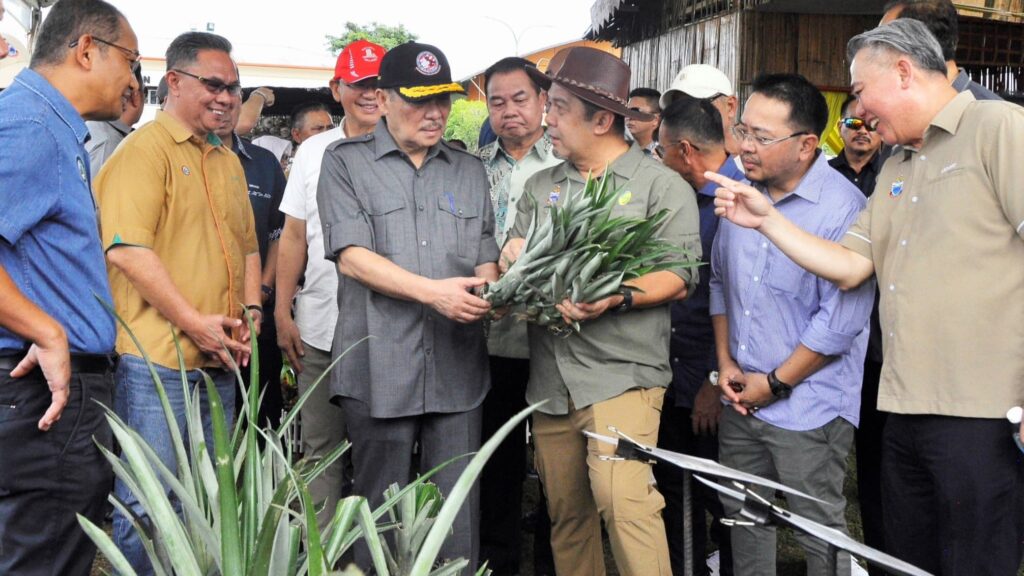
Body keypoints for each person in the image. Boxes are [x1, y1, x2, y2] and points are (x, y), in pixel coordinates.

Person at [709, 19, 1024, 574]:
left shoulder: (997, 126)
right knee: (906, 559)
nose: (856, 107)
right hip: (902, 408)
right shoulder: (897, 166)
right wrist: (767, 222)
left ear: (903, 71)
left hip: (983, 411)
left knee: (976, 560)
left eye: (858, 89)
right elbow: (851, 266)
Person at [501, 46, 700, 576]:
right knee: (565, 514)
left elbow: (679, 274)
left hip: (623, 373)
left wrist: (618, 295)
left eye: (560, 107)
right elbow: (513, 253)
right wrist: (509, 259)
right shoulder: (543, 187)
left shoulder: (660, 185)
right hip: (551, 379)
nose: (549, 120)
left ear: (602, 119)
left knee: (625, 502)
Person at [317, 41, 498, 570]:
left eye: (442, 99)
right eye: (420, 100)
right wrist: (436, 293)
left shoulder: (467, 169)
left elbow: (484, 256)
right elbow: (351, 258)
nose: (436, 112)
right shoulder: (344, 163)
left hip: (457, 366)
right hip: (379, 363)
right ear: (384, 99)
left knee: (456, 513)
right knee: (378, 508)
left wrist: (495, 294)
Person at [95, 31, 259, 575]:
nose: (227, 97)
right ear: (174, 82)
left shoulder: (227, 160)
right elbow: (126, 250)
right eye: (214, 84)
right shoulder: (143, 152)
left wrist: (252, 314)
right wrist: (195, 323)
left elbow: (250, 247)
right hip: (156, 362)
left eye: (235, 88)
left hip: (220, 360)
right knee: (149, 502)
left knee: (215, 503)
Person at [709, 73, 873, 576]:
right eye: (742, 130)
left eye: (762, 136)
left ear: (806, 145)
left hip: (808, 405)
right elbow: (719, 282)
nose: (744, 145)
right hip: (740, 397)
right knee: (742, 517)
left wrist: (775, 384)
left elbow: (838, 324)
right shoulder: (738, 191)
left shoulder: (844, 208)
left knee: (817, 528)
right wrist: (726, 366)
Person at [0, 1, 138, 573]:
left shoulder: (45, 125)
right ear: (87, 50)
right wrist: (47, 330)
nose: (134, 79)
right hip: (43, 390)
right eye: (130, 61)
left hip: (52, 389)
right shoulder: (29, 125)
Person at [275, 37, 385, 530]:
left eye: (380, 83)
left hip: (392, 330)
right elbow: (294, 234)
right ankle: (321, 552)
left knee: (384, 453)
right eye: (359, 83)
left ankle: (374, 553)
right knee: (320, 448)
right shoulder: (313, 151)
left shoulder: (410, 145)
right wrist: (282, 311)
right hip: (321, 324)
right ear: (337, 87)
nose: (370, 93)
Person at [477, 55, 560, 576]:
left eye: (520, 99)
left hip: (552, 334)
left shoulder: (568, 165)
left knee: (558, 463)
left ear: (544, 101)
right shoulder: (470, 165)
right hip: (488, 338)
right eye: (497, 101)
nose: (509, 111)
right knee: (497, 459)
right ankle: (498, 561)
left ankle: (556, 561)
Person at [653, 96, 738, 576]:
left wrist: (712, 379)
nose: (658, 160)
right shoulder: (671, 196)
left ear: (685, 150)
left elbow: (737, 303)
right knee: (670, 487)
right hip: (669, 369)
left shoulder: (735, 202)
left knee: (722, 496)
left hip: (713, 381)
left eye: (662, 151)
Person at [215, 89, 287, 430]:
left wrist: (262, 291)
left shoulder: (264, 163)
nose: (223, 101)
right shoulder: (168, 158)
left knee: (262, 417)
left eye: (232, 91)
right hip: (197, 317)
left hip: (256, 315)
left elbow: (278, 234)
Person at [881, 0, 1003, 101]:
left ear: (919, 45)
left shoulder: (995, 118)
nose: (876, 50)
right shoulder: (901, 106)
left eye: (883, 41)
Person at [661, 64, 741, 156]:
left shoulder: (751, 165)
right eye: (677, 107)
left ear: (730, 106)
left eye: (695, 104)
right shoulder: (666, 163)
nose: (684, 115)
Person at [86, 63, 144, 175]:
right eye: (145, 92)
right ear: (135, 95)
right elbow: (96, 192)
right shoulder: (108, 144)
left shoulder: (96, 127)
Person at [253, 101, 333, 172]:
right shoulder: (294, 171)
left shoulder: (339, 160)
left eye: (330, 128)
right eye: (318, 129)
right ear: (297, 135)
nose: (327, 134)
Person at [829, 95, 883, 197]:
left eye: (871, 124)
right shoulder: (823, 172)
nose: (862, 131)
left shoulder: (893, 172)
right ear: (840, 129)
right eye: (854, 123)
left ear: (882, 131)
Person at [626, 87, 661, 156]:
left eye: (636, 112)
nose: (629, 117)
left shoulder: (663, 155)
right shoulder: (621, 150)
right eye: (627, 112)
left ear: (655, 120)